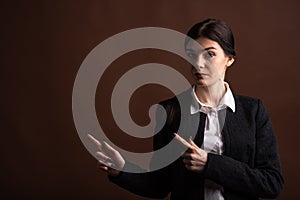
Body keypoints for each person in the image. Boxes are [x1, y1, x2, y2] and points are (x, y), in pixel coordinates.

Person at [88, 18, 284, 200]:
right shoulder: (169, 111)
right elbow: (160, 186)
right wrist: (122, 169)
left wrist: (210, 164)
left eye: (210, 54)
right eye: (192, 55)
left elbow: (271, 183)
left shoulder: (253, 112)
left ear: (229, 59)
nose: (198, 64)